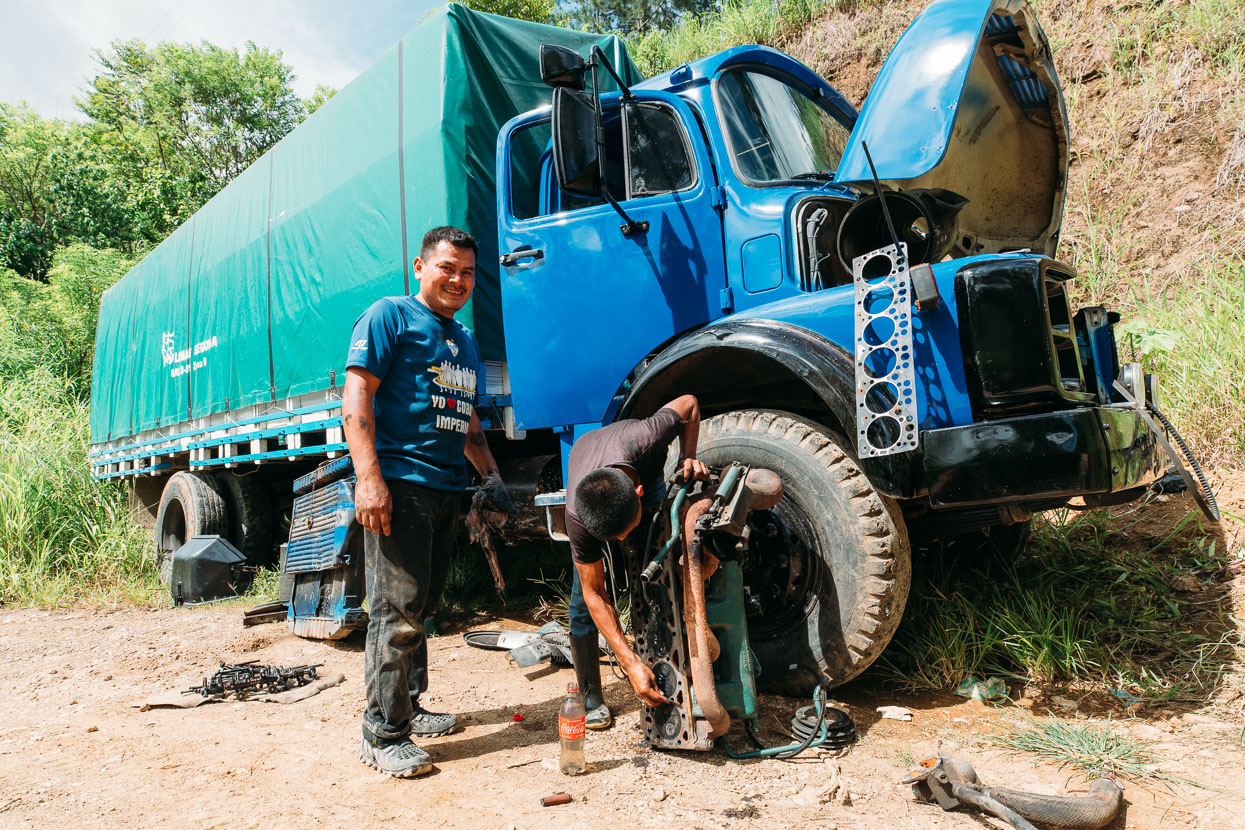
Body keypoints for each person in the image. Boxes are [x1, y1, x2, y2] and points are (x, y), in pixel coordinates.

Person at [343, 225, 513, 778]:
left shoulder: (463, 339)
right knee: (394, 613)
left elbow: (465, 419)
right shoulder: (391, 316)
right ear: (419, 268)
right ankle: (381, 731)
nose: (458, 280)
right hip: (401, 483)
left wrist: (490, 477)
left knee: (421, 610)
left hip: (445, 490)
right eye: (447, 268)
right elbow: (357, 395)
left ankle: (410, 709)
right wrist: (369, 479)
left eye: (467, 272)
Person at [564, 395, 709, 728]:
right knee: (581, 596)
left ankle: (676, 659)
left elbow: (688, 403)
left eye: (622, 533)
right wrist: (628, 663)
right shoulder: (577, 515)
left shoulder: (647, 437)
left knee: (663, 563)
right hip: (587, 461)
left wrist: (688, 456)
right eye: (611, 539)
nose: (619, 542)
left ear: (638, 493)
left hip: (640, 466)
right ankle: (590, 694)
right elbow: (595, 593)